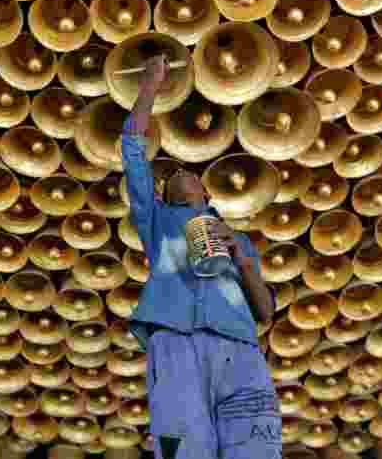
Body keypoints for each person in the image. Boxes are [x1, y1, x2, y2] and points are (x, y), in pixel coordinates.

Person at [120, 54, 282, 459]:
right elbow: (133, 153)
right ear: (162, 194)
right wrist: (149, 88)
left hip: (240, 350)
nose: (179, 173)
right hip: (176, 347)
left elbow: (265, 312)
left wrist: (242, 262)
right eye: (170, 176)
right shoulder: (157, 222)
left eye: (187, 173)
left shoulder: (237, 238)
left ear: (207, 193)